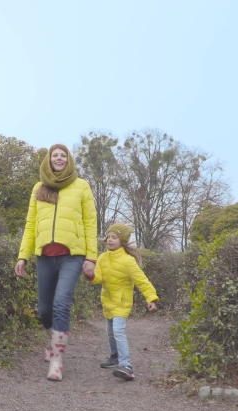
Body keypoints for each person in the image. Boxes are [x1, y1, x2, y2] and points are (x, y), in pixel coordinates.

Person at [15, 144, 98, 381]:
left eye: (63, 155)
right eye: (55, 155)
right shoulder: (39, 187)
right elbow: (31, 224)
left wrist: (91, 258)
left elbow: (91, 224)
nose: (59, 159)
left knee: (61, 303)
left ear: (69, 160)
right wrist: (23, 256)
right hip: (44, 257)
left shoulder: (81, 186)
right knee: (44, 311)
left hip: (72, 256)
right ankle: (52, 342)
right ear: (49, 160)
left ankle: (57, 360)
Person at [87, 223, 158, 381]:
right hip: (108, 301)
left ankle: (126, 366)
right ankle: (114, 357)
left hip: (122, 303)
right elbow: (98, 278)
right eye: (109, 237)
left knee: (118, 331)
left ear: (123, 241)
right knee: (111, 331)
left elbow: (142, 281)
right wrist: (90, 275)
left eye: (114, 237)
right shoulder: (102, 258)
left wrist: (151, 298)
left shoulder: (128, 261)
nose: (110, 240)